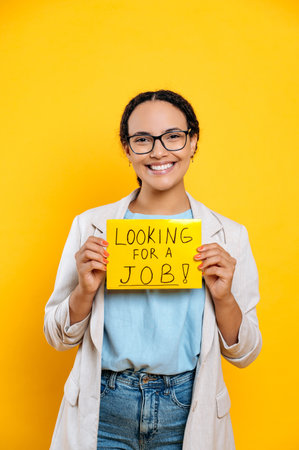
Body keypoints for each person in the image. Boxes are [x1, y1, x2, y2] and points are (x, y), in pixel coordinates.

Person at [44, 89, 262, 450]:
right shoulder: (91, 227)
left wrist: (223, 297)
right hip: (105, 407)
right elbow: (56, 336)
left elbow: (246, 353)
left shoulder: (230, 237)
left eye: (173, 136)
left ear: (193, 142)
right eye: (143, 140)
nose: (159, 151)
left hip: (187, 408)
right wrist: (84, 291)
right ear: (127, 149)